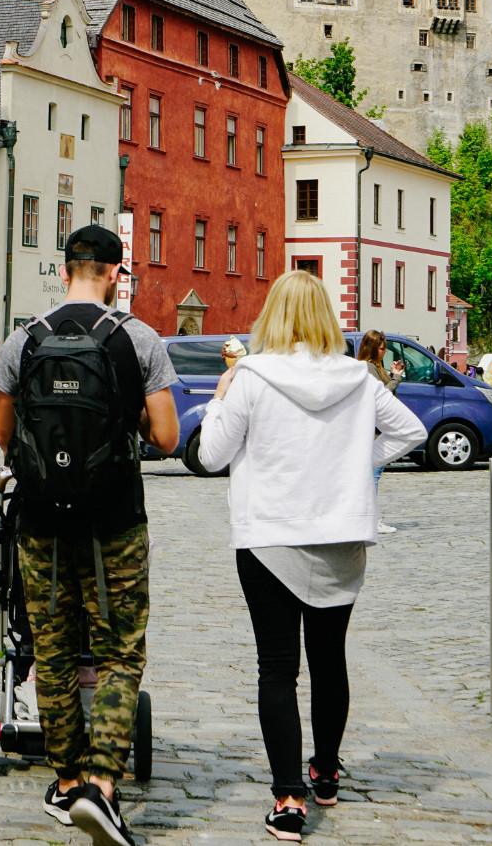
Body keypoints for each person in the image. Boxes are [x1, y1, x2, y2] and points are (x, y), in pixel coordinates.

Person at [197, 271, 425, 838]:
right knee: (329, 659)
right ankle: (324, 770)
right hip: (340, 535)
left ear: (272, 316)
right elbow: (412, 432)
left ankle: (289, 799)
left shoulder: (251, 376)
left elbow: (212, 454)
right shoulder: (359, 378)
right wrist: (359, 461)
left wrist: (217, 403)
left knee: (277, 666)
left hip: (270, 535)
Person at [0, 225, 179, 846]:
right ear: (114, 273)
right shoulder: (138, 340)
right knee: (120, 651)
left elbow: (3, 434)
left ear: (65, 268)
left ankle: (67, 780)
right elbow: (168, 437)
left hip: (42, 522)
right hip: (116, 520)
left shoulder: (24, 340)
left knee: (51, 649)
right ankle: (102, 785)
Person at [356, 332, 404, 535]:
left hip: (377, 427)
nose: (385, 352)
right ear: (373, 348)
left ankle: (369, 518)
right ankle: (371, 520)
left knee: (374, 473)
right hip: (372, 428)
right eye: (382, 348)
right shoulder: (367, 367)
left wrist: (392, 373)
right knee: (373, 474)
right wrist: (396, 378)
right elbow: (382, 394)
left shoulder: (375, 367)